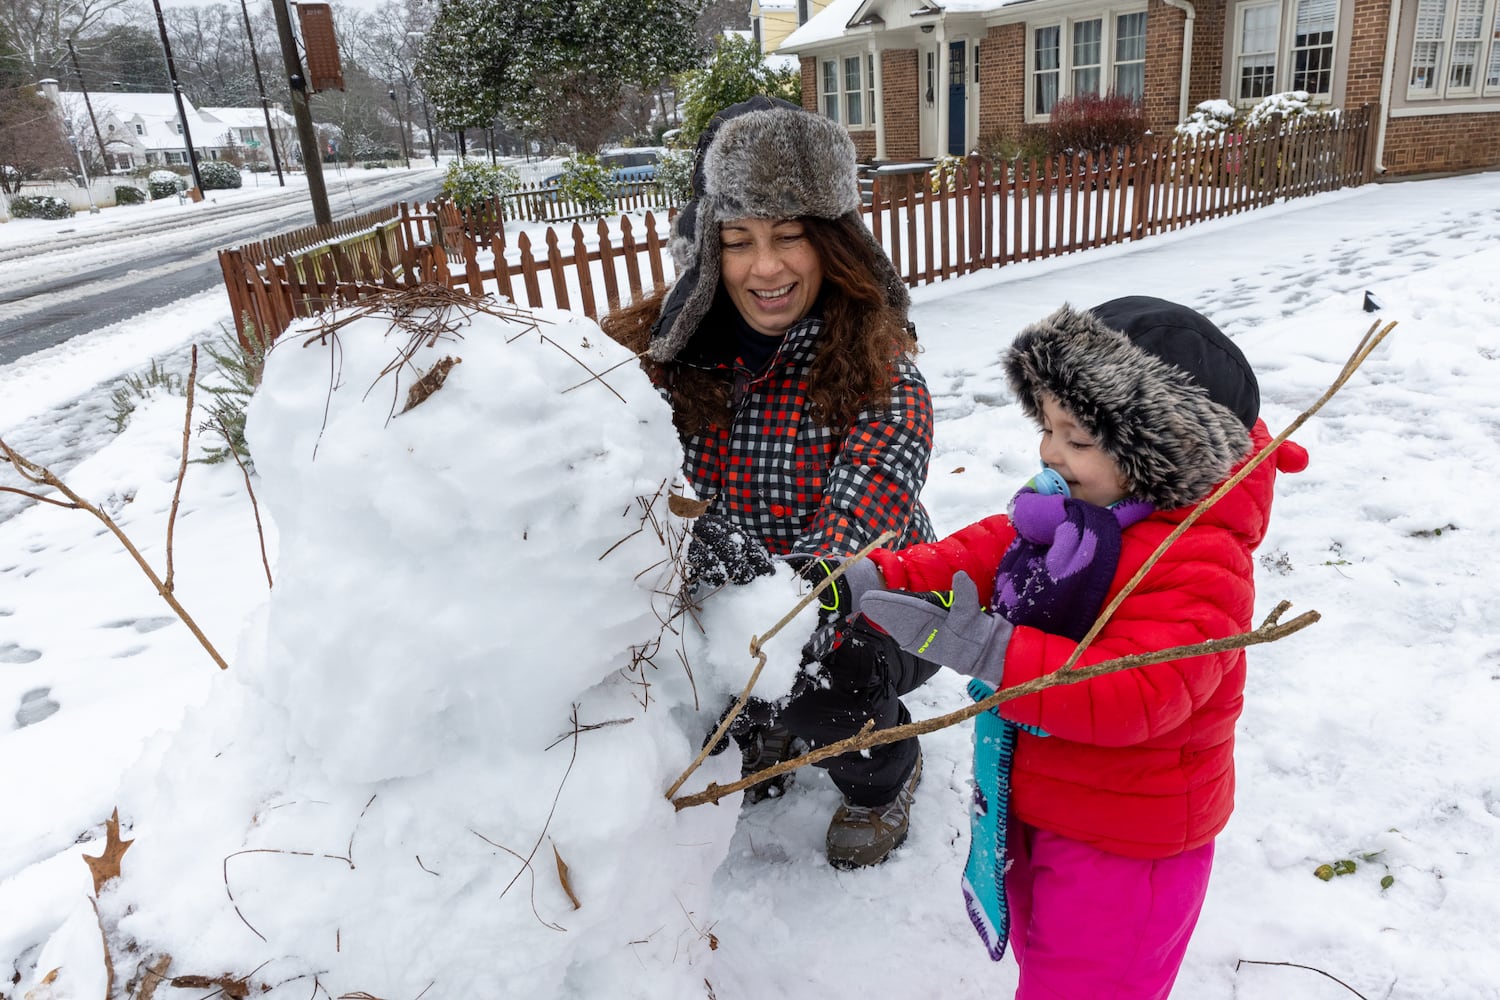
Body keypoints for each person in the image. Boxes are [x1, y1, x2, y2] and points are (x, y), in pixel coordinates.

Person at [846, 296, 1309, 998]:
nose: (1047, 451)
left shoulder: (1201, 564)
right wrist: (879, 577)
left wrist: (997, 652)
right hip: (1043, 802)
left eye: (1076, 437)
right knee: (1050, 962)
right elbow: (988, 550)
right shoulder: (1083, 513)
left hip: (1131, 841)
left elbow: (1140, 695)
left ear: (1162, 451)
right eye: (1048, 425)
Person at [600, 96, 940, 869]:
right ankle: (769, 709)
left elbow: (864, 519)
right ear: (705, 252)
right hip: (736, 612)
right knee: (706, 662)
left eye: (790, 236)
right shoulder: (668, 361)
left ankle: (885, 775)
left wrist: (781, 598)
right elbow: (610, 462)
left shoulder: (883, 377)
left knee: (828, 672)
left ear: (833, 245)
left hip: (884, 604)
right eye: (738, 240)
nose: (767, 266)